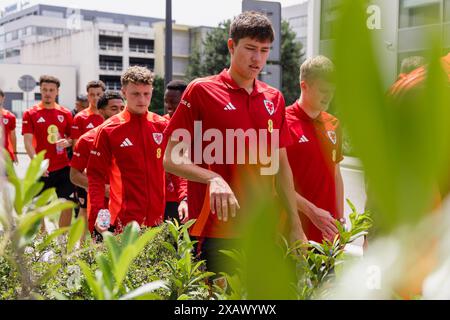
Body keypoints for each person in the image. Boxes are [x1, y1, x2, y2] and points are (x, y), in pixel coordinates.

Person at [163, 11, 306, 275]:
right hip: (213, 230)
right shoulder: (201, 91)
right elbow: (171, 158)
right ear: (231, 46)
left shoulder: (274, 99)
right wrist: (212, 178)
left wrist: (296, 225)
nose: (258, 58)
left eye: (264, 50)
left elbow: (281, 168)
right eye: (250, 48)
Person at [87, 66, 185, 235]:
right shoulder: (109, 130)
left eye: (146, 94)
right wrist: (98, 212)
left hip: (157, 221)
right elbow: (95, 175)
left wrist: (184, 198)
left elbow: (177, 166)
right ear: (124, 92)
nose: (142, 99)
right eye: (135, 94)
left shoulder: (162, 126)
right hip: (122, 223)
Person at [285, 56, 344, 243]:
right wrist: (312, 212)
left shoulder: (333, 124)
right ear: (304, 86)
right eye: (323, 90)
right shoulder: (282, 121)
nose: (329, 96)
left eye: (332, 91)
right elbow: (273, 184)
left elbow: (336, 174)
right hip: (294, 235)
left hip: (327, 235)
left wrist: (339, 221)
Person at [22, 75, 74, 227]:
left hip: (63, 167)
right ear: (40, 90)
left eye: (51, 90)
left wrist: (68, 142)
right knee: (37, 207)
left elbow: (73, 137)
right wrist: (38, 163)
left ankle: (63, 242)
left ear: (57, 92)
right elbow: (27, 142)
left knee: (67, 204)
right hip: (42, 168)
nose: (48, 93)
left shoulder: (65, 113)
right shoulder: (31, 113)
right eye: (44, 89)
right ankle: (43, 241)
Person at [70, 91, 124, 233]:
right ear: (101, 111)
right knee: (102, 249)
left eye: (122, 108)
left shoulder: (133, 136)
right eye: (114, 109)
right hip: (102, 207)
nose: (119, 113)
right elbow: (74, 175)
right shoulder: (87, 140)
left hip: (129, 206)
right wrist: (103, 188)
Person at [163, 80, 189, 222]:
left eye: (174, 102)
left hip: (186, 195)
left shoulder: (197, 126)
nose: (169, 106)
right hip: (164, 198)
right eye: (167, 102)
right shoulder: (160, 124)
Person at [71, 80, 106, 146]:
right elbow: (75, 146)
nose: (96, 98)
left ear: (103, 95)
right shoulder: (79, 117)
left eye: (98, 94)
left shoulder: (110, 116)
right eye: (92, 95)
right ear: (88, 96)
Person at [0, 89, 18, 164]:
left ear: (3, 98)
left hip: (6, 156)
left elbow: (13, 136)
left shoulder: (10, 116)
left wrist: (15, 153)